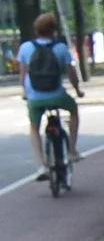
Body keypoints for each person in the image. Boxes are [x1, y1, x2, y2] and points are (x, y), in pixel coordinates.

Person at [20, 12, 82, 173]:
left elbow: (23, 75)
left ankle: (41, 165)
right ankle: (72, 151)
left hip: (35, 98)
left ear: (36, 29)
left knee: (34, 128)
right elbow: (71, 75)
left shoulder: (26, 47)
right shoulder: (61, 48)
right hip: (58, 96)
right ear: (54, 30)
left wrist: (25, 92)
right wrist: (77, 90)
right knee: (74, 111)